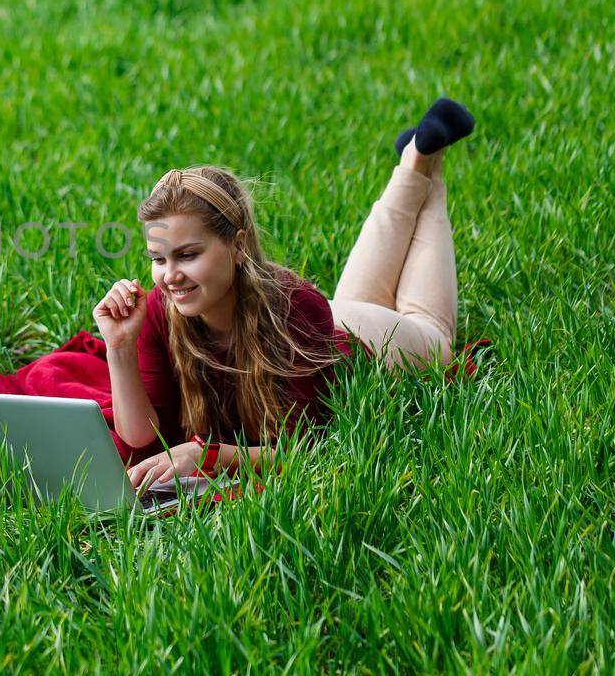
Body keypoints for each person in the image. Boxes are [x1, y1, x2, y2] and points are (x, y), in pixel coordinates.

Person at [94, 97, 477, 490]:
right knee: (359, 292)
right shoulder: (161, 309)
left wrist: (207, 453)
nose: (170, 276)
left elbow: (308, 449)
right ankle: (415, 159)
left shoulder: (294, 307)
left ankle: (426, 162)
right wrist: (119, 348)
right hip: (328, 321)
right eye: (158, 258)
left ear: (238, 246)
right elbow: (142, 439)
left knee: (431, 327)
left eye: (188, 255)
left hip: (378, 343)